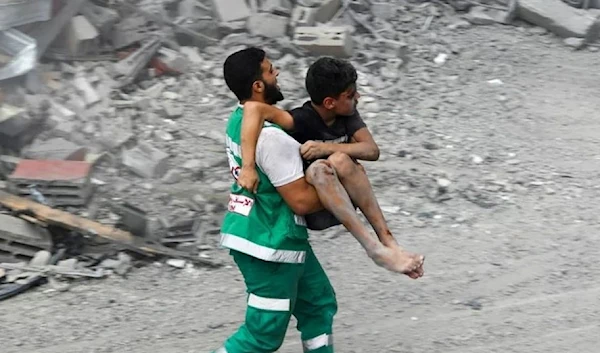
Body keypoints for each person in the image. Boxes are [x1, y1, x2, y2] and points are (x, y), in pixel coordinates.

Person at [213, 47, 424, 353]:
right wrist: (344, 189)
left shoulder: (239, 120)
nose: (278, 73)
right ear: (258, 85)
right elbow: (301, 202)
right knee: (261, 337)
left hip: (275, 237)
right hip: (270, 245)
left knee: (318, 306)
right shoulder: (273, 139)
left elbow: (253, 113)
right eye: (271, 70)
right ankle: (378, 247)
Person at [237, 55, 410, 254]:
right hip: (316, 209)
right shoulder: (301, 118)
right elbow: (253, 108)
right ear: (329, 103)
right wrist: (248, 167)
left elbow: (371, 150)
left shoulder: (347, 114)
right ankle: (372, 247)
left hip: (347, 202)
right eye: (351, 94)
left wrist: (325, 148)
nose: (358, 97)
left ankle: (387, 239)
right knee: (327, 165)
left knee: (339, 159)